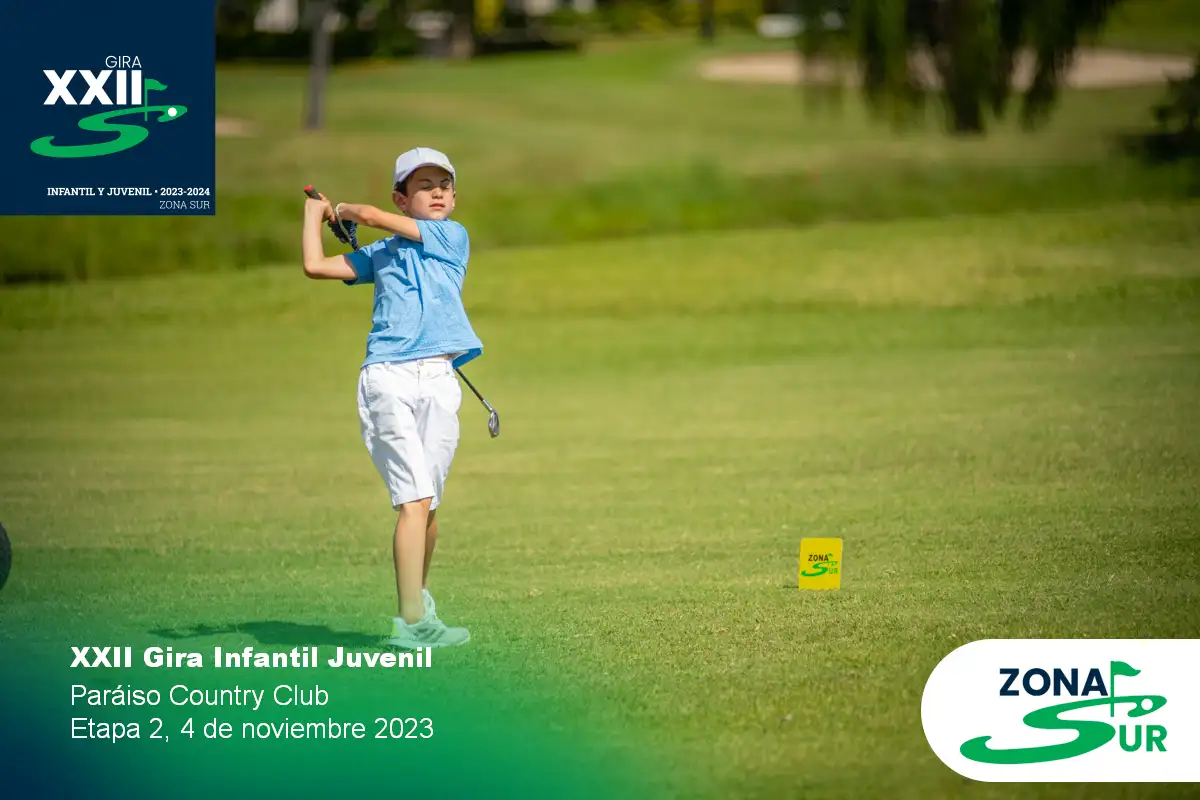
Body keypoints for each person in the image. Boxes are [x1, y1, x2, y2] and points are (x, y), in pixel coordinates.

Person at [301, 147, 482, 649]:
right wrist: (314, 215)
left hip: (438, 377)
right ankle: (410, 622)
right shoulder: (381, 254)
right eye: (424, 186)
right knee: (414, 501)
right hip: (387, 377)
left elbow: (373, 217)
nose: (438, 193)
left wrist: (346, 211)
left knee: (429, 506)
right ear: (403, 198)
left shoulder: (453, 236)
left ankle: (419, 606)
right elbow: (315, 266)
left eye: (444, 185)